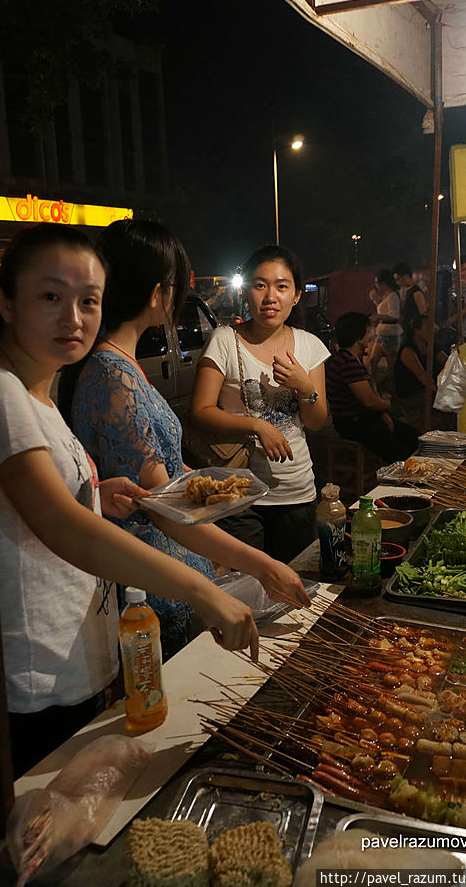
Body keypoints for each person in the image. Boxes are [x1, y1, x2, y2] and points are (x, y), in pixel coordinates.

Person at [0, 223, 261, 797]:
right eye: (50, 297)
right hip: (27, 689)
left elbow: (54, 508)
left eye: (89, 301)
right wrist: (203, 591)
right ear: (6, 302)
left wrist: (97, 494)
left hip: (75, 670)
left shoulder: (38, 394)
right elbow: (61, 527)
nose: (74, 318)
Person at [67, 221, 310, 660]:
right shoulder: (112, 376)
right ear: (158, 291)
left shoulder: (122, 364)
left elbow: (166, 488)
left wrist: (200, 483)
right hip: (151, 582)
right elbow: (164, 509)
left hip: (169, 567)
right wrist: (262, 564)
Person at [190, 244, 329, 563]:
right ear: (247, 291)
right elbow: (200, 411)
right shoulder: (224, 340)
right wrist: (257, 425)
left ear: (295, 295)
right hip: (238, 491)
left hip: (296, 489)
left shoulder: (310, 346)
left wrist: (305, 386)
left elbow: (316, 421)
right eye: (260, 285)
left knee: (293, 586)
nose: (270, 296)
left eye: (282, 286)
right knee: (247, 588)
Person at [326, 312, 419, 463]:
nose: (371, 334)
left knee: (412, 436)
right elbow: (369, 401)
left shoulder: (351, 359)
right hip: (352, 423)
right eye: (368, 330)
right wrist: (388, 405)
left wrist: (383, 412)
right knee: (401, 452)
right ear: (358, 335)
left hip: (363, 418)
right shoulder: (347, 363)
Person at [394, 313, 443, 430]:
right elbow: (423, 377)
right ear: (417, 329)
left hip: (428, 390)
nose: (432, 330)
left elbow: (447, 363)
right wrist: (441, 394)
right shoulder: (408, 350)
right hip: (413, 394)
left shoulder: (432, 346)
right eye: (428, 327)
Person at [368, 269, 402, 386]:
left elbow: (394, 315)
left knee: (390, 366)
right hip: (383, 334)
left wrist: (377, 317)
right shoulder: (387, 295)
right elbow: (384, 311)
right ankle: (375, 386)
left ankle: (391, 390)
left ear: (382, 283)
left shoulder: (393, 295)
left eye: (377, 283)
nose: (376, 286)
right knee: (373, 361)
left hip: (391, 335)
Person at [393, 262, 427, 331]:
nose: (397, 283)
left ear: (406, 277)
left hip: (413, 331)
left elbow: (423, 313)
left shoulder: (416, 292)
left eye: (398, 279)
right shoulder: (408, 291)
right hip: (407, 329)